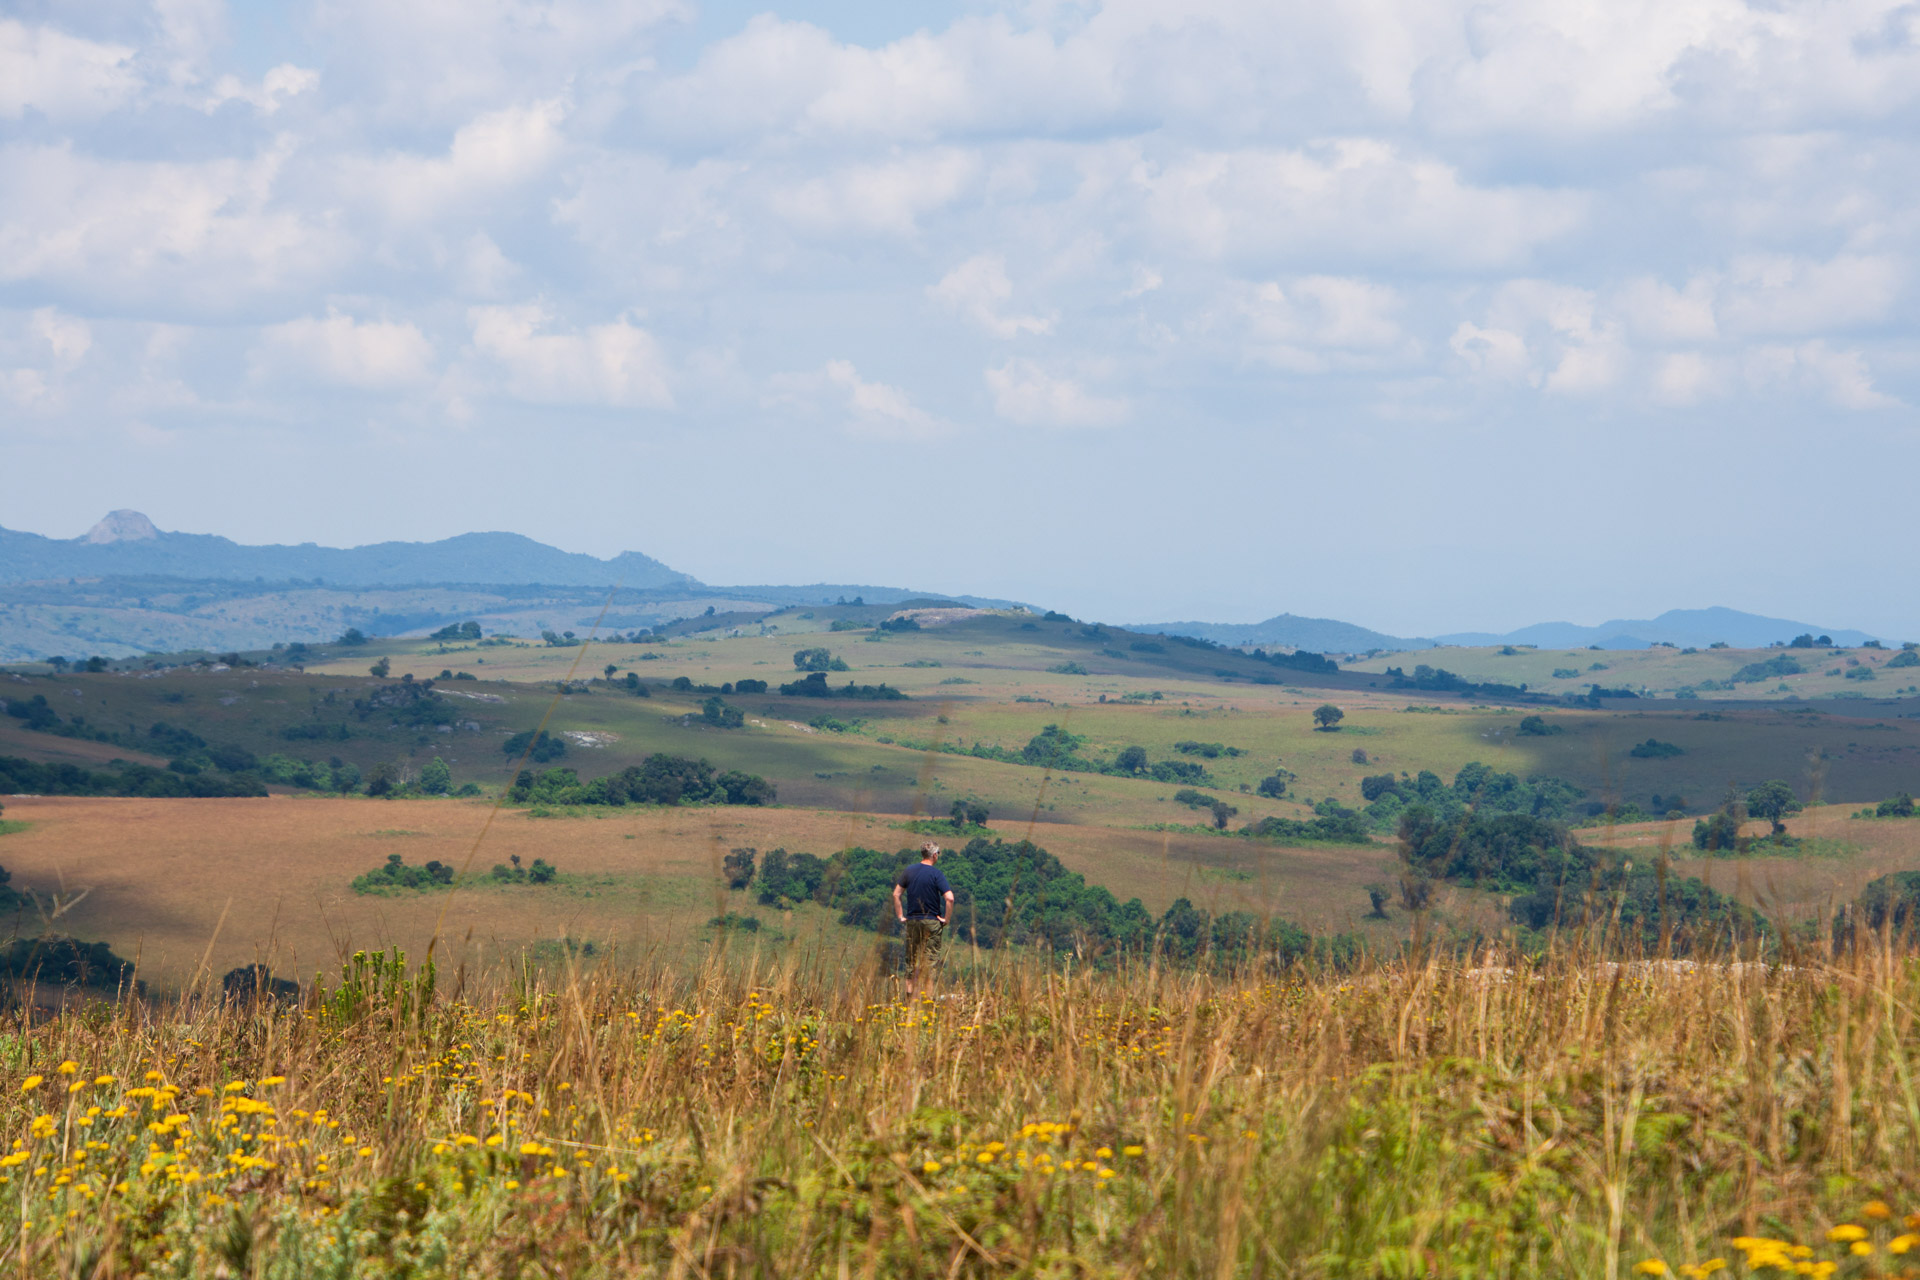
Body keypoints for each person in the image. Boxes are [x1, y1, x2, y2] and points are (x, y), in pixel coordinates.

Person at [893, 841, 954, 997]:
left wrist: (901, 916)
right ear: (934, 855)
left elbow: (896, 894)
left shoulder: (909, 871)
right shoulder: (936, 874)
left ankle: (909, 997)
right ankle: (928, 999)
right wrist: (946, 919)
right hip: (932, 922)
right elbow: (950, 898)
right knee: (930, 962)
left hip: (913, 920)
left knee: (911, 960)